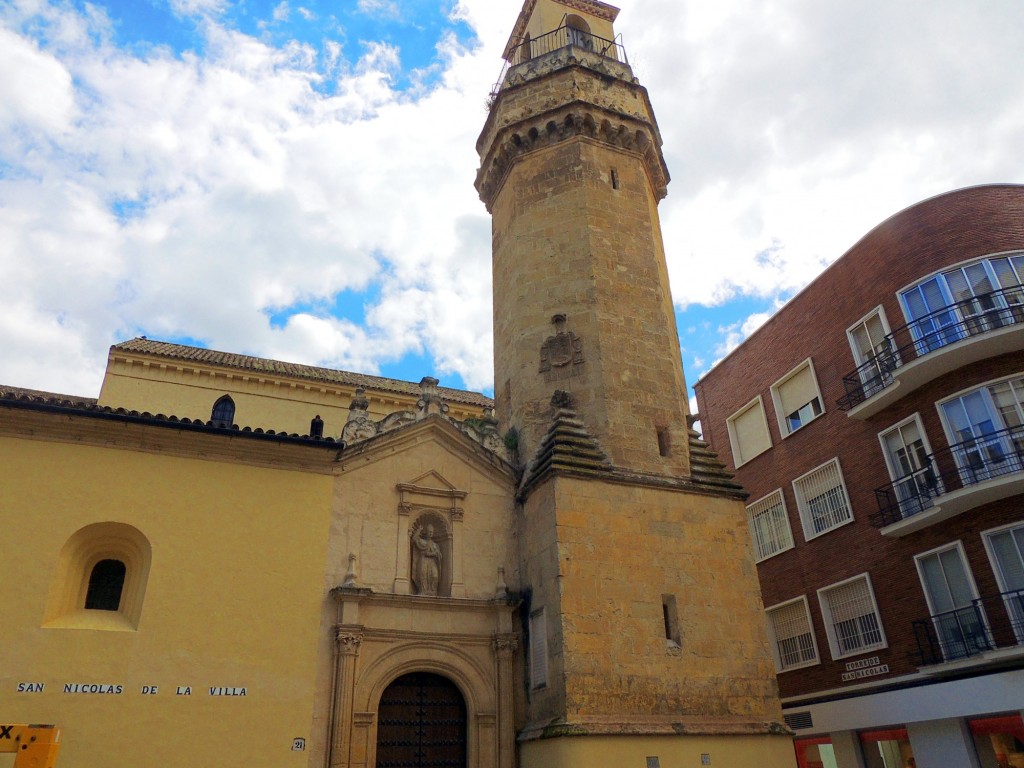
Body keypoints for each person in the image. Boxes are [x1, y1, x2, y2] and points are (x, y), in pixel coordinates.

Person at [412, 524, 442, 596]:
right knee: (423, 575)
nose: (431, 533)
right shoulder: (422, 542)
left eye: (432, 532)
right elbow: (414, 539)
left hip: (433, 562)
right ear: (426, 532)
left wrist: (433, 554)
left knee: (434, 576)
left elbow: (439, 555)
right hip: (423, 561)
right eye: (429, 532)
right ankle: (423, 590)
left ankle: (433, 591)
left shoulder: (435, 545)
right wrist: (418, 531)